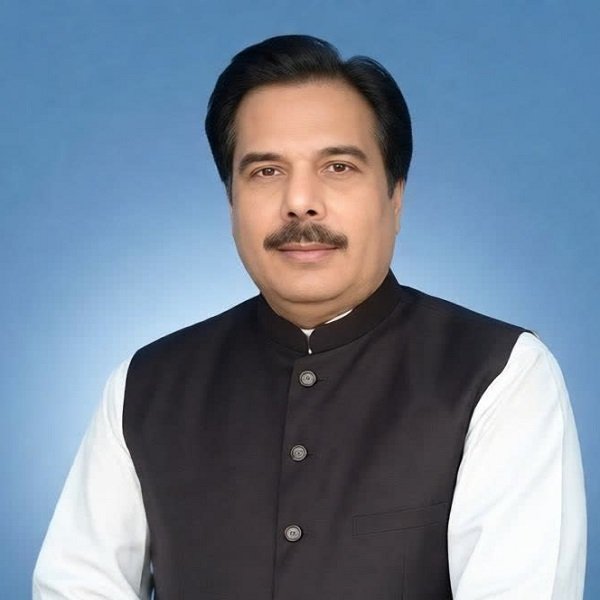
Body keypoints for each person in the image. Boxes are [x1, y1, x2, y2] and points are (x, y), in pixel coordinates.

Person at [33, 34, 586, 599]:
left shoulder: (500, 375)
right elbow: (76, 586)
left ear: (395, 197)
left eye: (338, 166)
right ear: (231, 202)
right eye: (266, 171)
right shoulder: (145, 386)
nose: (300, 202)